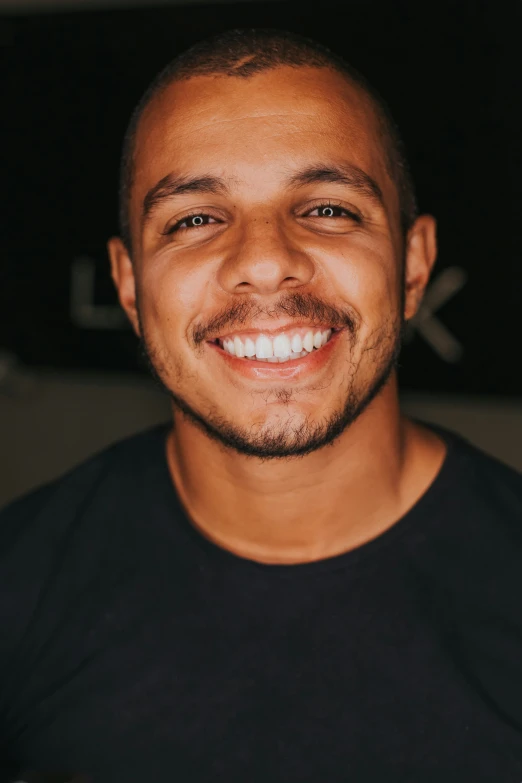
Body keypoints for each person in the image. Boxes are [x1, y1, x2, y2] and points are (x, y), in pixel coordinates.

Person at [1, 28, 521, 783]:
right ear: (129, 286)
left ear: (413, 264)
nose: (267, 261)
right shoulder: (17, 588)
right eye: (194, 220)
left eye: (329, 208)